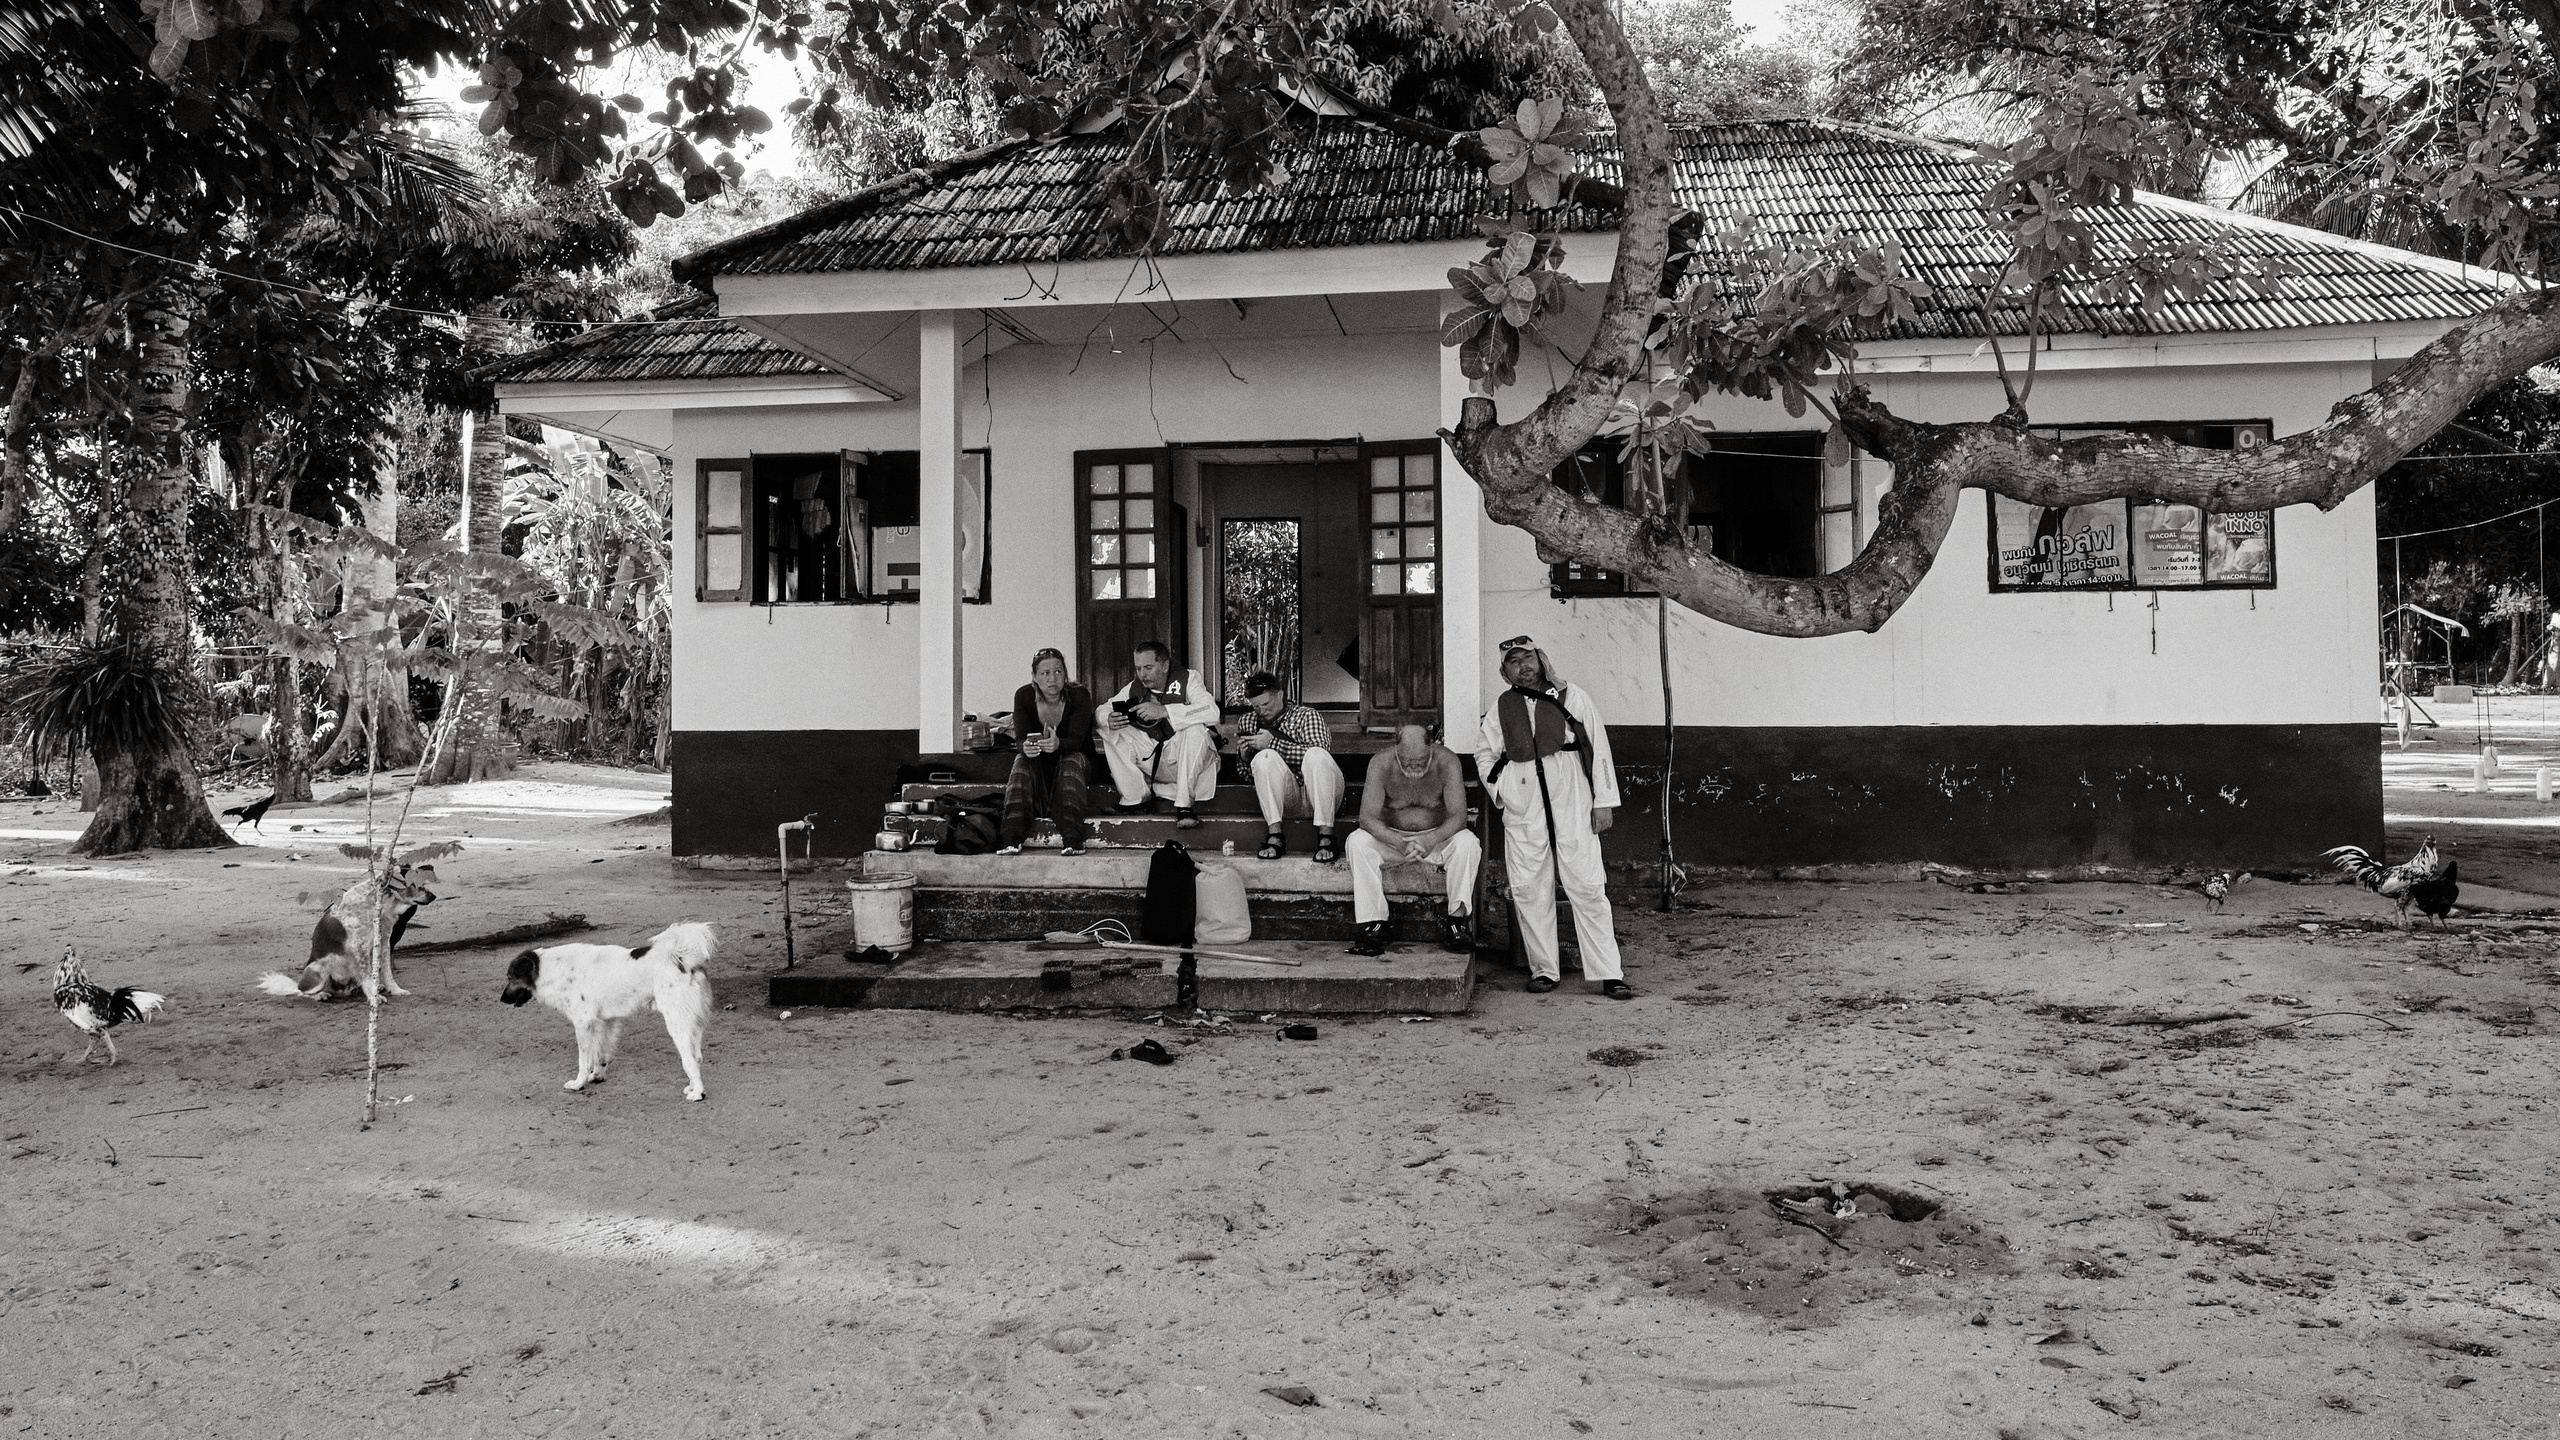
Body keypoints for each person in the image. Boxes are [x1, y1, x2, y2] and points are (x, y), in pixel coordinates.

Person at [1475, 635, 1631, 999]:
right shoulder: (1502, 707)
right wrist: (1504, 788)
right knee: (1529, 887)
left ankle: (1609, 973)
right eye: (1514, 662)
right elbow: (1485, 753)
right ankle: (1544, 969)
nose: (1523, 667)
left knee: (1587, 884)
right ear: (1505, 671)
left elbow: (1598, 746)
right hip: (1524, 802)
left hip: (1572, 794)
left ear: (1541, 659)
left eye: (1527, 658)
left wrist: (1604, 801)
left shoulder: (1572, 696)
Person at [1345, 724, 1480, 955]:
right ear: (1396, 749)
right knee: (1357, 842)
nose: (1414, 766)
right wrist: (1398, 840)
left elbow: (1459, 817)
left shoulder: (1447, 761)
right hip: (1393, 839)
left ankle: (1457, 923)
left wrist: (1431, 839)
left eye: (1420, 760)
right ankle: (1375, 923)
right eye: (1406, 761)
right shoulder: (1381, 762)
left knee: (1468, 843)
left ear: (1432, 747)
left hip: (1436, 838)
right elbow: (1367, 818)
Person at [1095, 640, 1220, 827]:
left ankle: (1184, 806)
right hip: (1158, 761)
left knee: (1195, 729)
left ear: (1165, 665)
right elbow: (1101, 710)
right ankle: (1135, 798)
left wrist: (1165, 711)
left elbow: (1211, 711)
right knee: (1110, 727)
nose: (1142, 675)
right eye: (1138, 669)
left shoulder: (1189, 679)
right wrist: (1108, 718)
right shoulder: (1134, 689)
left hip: (1192, 760)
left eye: (1148, 668)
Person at [1234, 672, 1343, 862]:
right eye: (1256, 706)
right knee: (1264, 758)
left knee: (1315, 755)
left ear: (1280, 695)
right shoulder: (1248, 721)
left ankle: (1326, 835)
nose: (1261, 711)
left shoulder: (1306, 716)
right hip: (1288, 799)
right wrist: (1245, 759)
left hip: (1323, 793)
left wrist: (1273, 744)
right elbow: (1249, 776)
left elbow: (1321, 758)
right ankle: (1275, 835)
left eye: (1266, 704)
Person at [997, 648, 1094, 856]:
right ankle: (1010, 838)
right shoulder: (1024, 696)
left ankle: (1073, 839)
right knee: (1021, 761)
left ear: (1065, 674)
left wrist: (1059, 744)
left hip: (1075, 765)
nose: (1052, 679)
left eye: (1058, 672)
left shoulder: (1079, 695)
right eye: (1045, 673)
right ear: (1034, 676)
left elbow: (1077, 741)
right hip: (1040, 767)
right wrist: (1026, 747)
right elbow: (1020, 739)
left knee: (1071, 761)